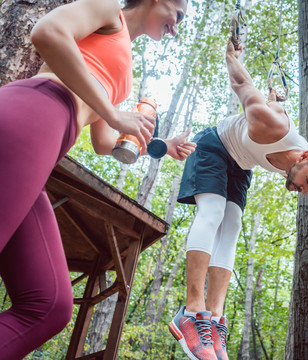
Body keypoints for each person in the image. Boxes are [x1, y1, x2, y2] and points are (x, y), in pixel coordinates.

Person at [0, 0, 196, 358]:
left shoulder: (127, 71)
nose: (176, 27)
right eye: (177, 15)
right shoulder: (108, 10)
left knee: (50, 306)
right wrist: (114, 112)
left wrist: (162, 146)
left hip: (49, 142)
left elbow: (105, 142)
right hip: (35, 110)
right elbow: (47, 32)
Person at [168, 37, 308, 360]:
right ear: (304, 155)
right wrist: (232, 56)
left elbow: (276, 105)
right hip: (213, 145)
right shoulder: (270, 125)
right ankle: (191, 311)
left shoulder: (297, 162)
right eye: (306, 182)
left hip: (240, 163)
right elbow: (241, 83)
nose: (303, 191)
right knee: (214, 210)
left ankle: (214, 320)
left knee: (232, 223)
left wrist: (276, 98)